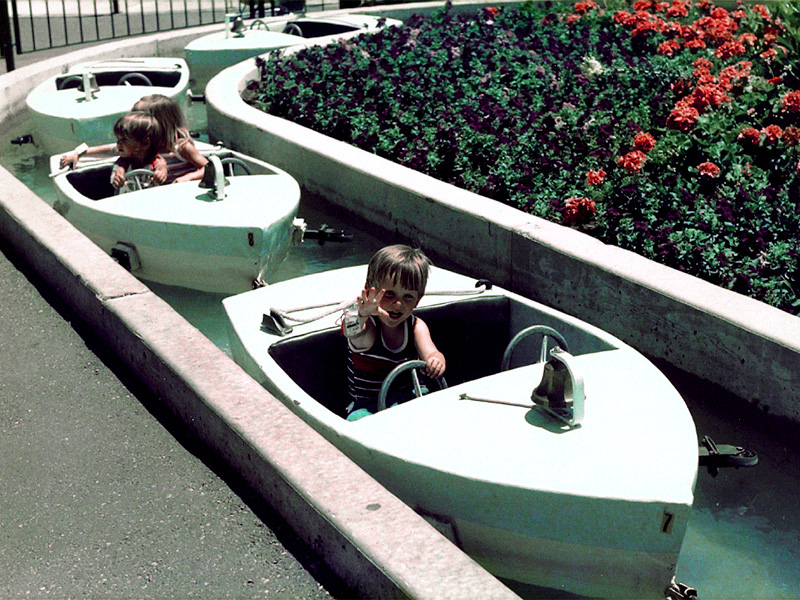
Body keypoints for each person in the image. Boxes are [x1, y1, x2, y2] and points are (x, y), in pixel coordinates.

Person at [342, 244, 446, 421]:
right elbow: (355, 333)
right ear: (369, 292)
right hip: (368, 405)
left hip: (410, 396)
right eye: (389, 294)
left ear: (417, 301)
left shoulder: (416, 326)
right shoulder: (368, 326)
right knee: (357, 421)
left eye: (408, 297)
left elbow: (432, 353)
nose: (398, 304)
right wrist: (363, 314)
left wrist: (436, 361)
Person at [60, 94, 207, 183]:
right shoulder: (143, 146)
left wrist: (187, 178)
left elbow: (208, 167)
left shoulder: (180, 147)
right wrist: (78, 154)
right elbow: (110, 150)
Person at [110, 111, 167, 190]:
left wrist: (160, 173)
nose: (118, 143)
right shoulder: (123, 163)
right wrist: (118, 178)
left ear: (145, 143)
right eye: (118, 139)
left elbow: (161, 167)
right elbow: (119, 170)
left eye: (124, 140)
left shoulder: (155, 160)